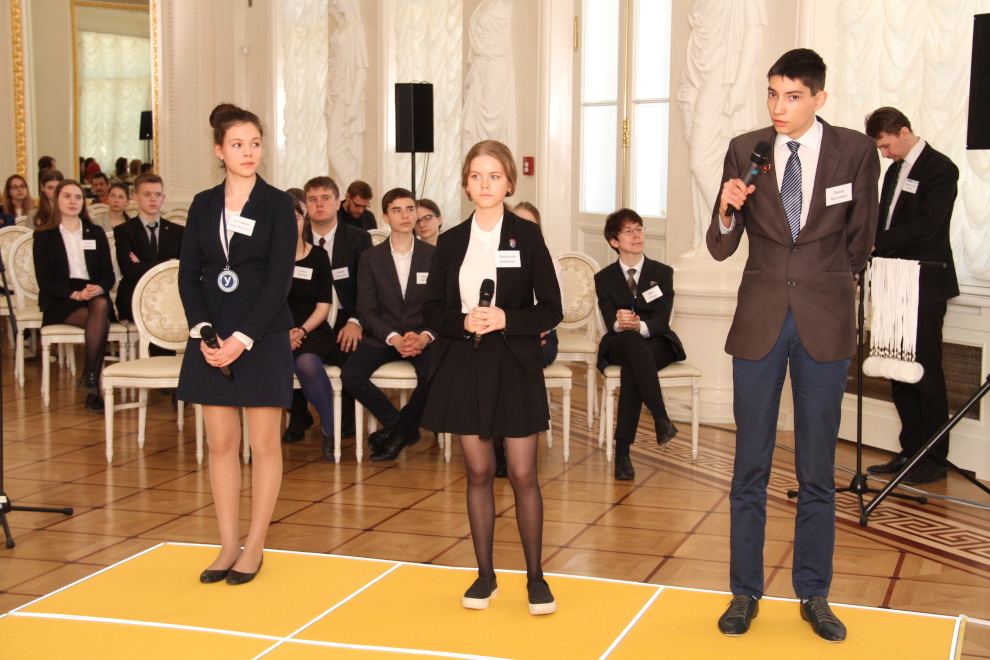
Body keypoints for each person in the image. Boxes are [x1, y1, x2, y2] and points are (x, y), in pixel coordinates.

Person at [707, 49, 879, 642]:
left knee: (817, 470)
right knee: (749, 466)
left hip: (824, 323)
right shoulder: (745, 148)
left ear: (819, 98)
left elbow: (861, 239)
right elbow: (721, 245)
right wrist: (727, 211)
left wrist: (826, 284)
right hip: (759, 320)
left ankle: (814, 593)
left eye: (793, 96)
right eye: (772, 93)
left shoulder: (856, 151)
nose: (778, 107)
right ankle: (744, 592)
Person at [422, 140, 562, 615]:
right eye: (477, 176)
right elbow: (432, 311)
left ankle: (536, 578)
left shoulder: (528, 236)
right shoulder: (450, 241)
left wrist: (506, 319)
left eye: (495, 176)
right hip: (465, 364)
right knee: (479, 472)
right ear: (466, 184)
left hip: (515, 363)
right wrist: (463, 321)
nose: (485, 184)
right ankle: (485, 576)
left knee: (522, 473)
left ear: (509, 183)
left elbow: (552, 309)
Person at [177, 103, 296, 586]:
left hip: (261, 334)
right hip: (212, 335)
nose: (248, 152)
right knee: (222, 445)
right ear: (219, 150)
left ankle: (255, 544)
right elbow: (189, 275)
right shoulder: (203, 204)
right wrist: (205, 331)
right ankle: (228, 545)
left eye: (255, 143)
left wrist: (243, 339)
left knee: (264, 445)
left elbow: (279, 280)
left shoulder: (277, 205)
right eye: (237, 144)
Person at [864, 107, 959, 485]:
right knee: (896, 367)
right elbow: (885, 218)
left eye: (886, 145)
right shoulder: (893, 172)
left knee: (925, 372)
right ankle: (909, 451)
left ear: (903, 132)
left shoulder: (941, 168)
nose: (884, 154)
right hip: (892, 282)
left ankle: (934, 459)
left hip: (924, 283)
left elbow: (926, 226)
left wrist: (874, 244)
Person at [341, 188, 435, 462]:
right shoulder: (371, 258)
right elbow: (366, 310)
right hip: (384, 336)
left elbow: (442, 307)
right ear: (385, 217)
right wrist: (394, 338)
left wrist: (425, 336)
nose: (405, 215)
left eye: (409, 209)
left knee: (434, 373)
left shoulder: (434, 256)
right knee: (351, 375)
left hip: (422, 336)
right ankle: (403, 429)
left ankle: (397, 434)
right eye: (397, 210)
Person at [596, 209, 685, 482]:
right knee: (632, 344)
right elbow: (609, 318)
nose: (637, 236)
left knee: (634, 367)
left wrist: (640, 326)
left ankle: (623, 453)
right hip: (620, 342)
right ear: (614, 241)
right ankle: (660, 417)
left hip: (657, 342)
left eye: (639, 229)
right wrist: (620, 322)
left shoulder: (662, 272)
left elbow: (661, 318)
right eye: (628, 231)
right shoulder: (604, 277)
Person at [283, 176, 371, 443]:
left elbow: (368, 287)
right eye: (312, 199)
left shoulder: (357, 239)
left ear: (337, 202)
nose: (319, 204)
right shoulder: (295, 236)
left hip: (347, 315)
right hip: (303, 315)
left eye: (325, 198)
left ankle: (344, 418)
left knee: (349, 346)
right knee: (289, 347)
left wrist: (356, 320)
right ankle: (299, 415)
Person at [32, 179, 115, 414]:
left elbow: (108, 275)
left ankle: (90, 380)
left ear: (83, 202)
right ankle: (92, 386)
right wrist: (74, 294)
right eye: (67, 196)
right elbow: (45, 281)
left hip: (92, 292)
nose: (73, 201)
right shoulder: (44, 235)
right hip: (60, 296)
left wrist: (98, 288)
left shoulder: (95, 232)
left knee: (100, 304)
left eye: (78, 197)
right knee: (100, 321)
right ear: (56, 200)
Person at [285, 193, 336, 461]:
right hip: (276, 330)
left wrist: (301, 331)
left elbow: (323, 305)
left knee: (306, 363)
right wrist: (284, 333)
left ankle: (329, 429)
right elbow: (264, 304)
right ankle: (297, 416)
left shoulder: (318, 257)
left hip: (312, 329)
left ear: (303, 221)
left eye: (294, 217)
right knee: (275, 361)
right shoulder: (268, 259)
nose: (290, 223)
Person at [114, 174, 183, 323]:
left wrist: (141, 265)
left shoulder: (178, 232)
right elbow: (129, 270)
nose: (153, 199)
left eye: (157, 195)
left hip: (168, 295)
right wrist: (167, 264)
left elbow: (181, 269)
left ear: (163, 198)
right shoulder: (124, 231)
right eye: (147, 194)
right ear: (136, 198)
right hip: (134, 294)